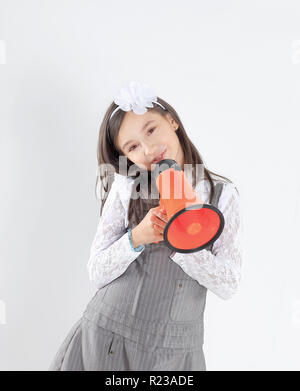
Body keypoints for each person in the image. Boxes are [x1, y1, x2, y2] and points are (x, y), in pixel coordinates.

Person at [48, 81, 243, 371]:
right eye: (133, 146)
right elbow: (97, 271)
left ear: (172, 121)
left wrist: (184, 245)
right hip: (108, 341)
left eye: (151, 130)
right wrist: (136, 237)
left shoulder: (220, 196)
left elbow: (228, 284)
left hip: (176, 356)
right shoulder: (126, 187)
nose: (149, 148)